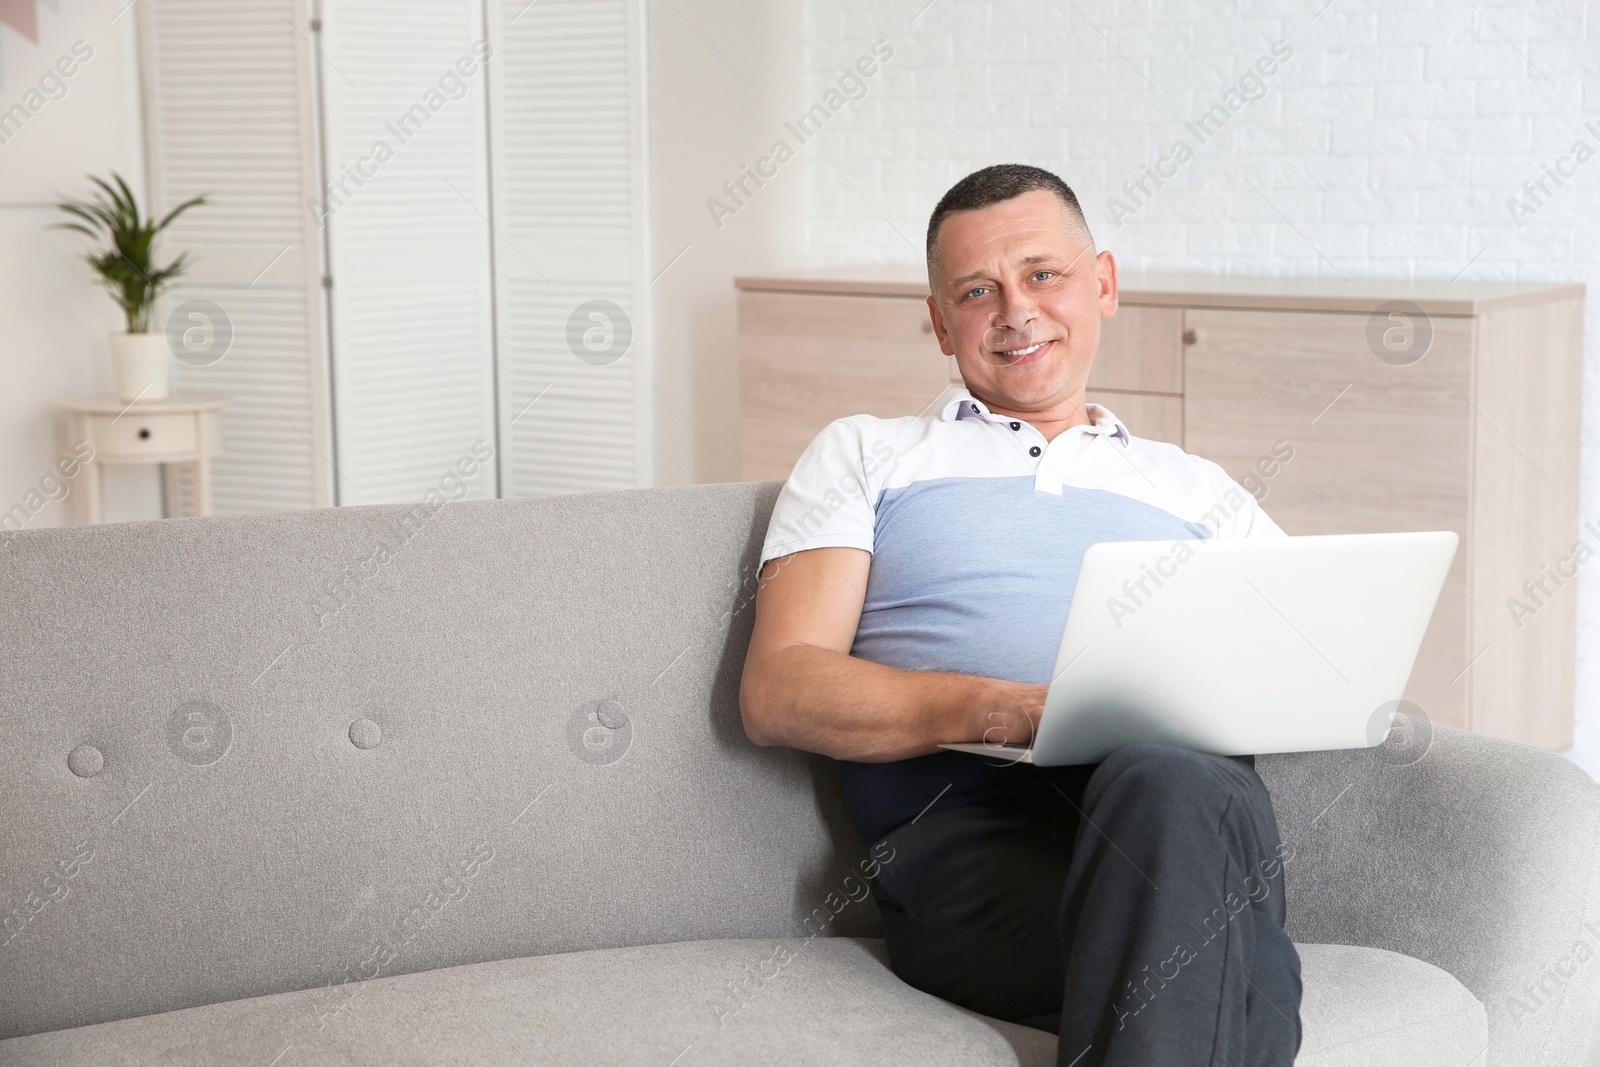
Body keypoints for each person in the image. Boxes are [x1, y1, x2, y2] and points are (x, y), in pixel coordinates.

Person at [738, 164, 1303, 1066]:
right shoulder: (868, 454)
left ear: (1103, 284)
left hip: (1185, 811)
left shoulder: (1201, 491)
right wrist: (1005, 707)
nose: (1016, 309)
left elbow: (1312, 655)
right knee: (1242, 972)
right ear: (938, 321)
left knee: (1167, 784)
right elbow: (780, 685)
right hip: (970, 840)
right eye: (976, 290)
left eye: (1044, 273)